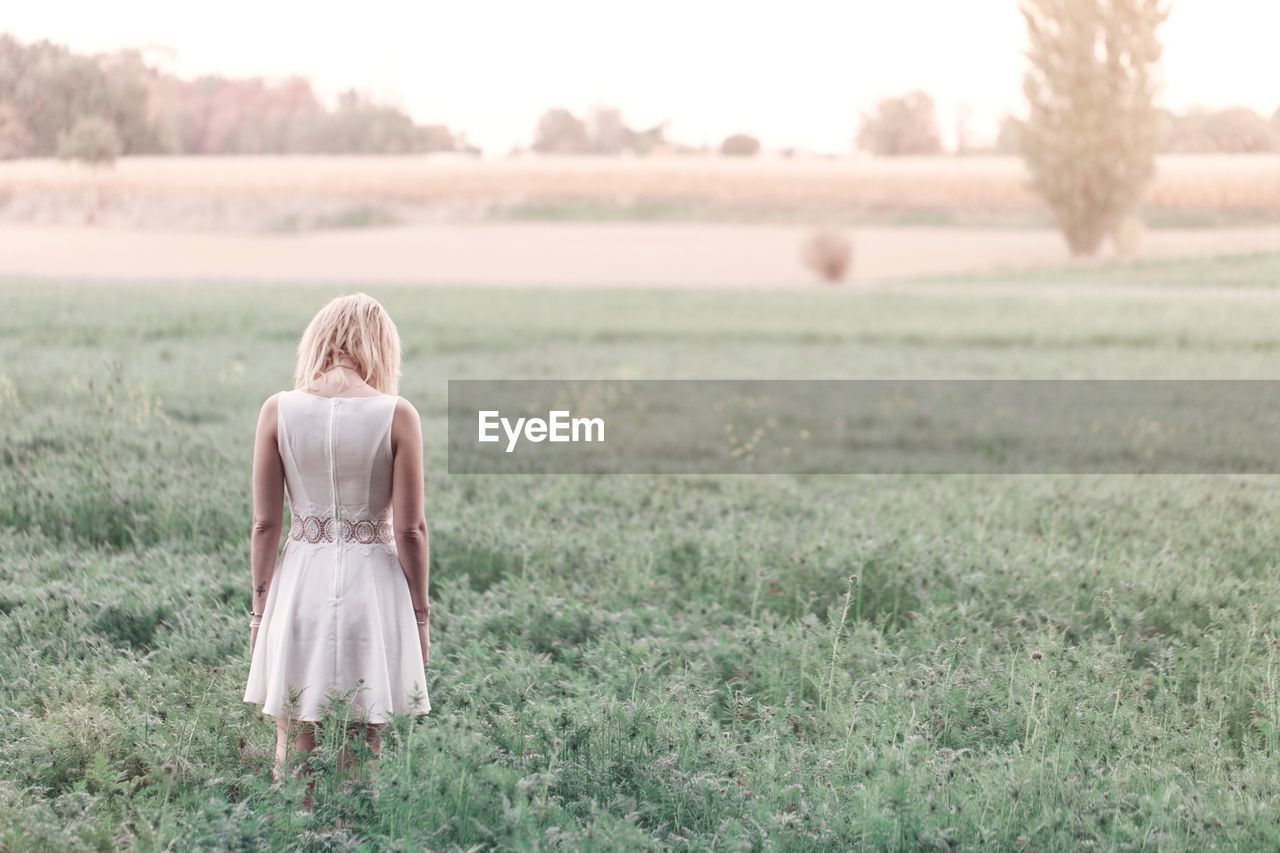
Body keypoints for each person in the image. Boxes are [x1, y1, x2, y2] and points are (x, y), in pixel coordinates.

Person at [242, 293, 431, 809]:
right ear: (380, 347)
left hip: (300, 581)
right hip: (373, 587)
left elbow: (265, 524)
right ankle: (350, 832)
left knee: (296, 733)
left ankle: (294, 832)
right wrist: (421, 616)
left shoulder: (277, 410)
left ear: (320, 341)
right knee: (363, 741)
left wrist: (259, 613)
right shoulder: (398, 414)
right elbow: (411, 529)